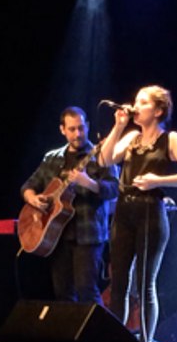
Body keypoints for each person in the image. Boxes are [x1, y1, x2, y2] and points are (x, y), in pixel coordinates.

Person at [98, 85, 177, 342]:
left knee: (144, 284)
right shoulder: (131, 136)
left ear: (158, 110)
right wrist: (118, 127)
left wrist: (159, 180)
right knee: (118, 282)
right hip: (124, 212)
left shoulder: (171, 139)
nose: (135, 106)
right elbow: (105, 159)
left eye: (142, 102)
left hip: (151, 212)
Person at [21, 107, 118, 304]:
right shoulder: (52, 158)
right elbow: (28, 186)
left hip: (88, 235)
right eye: (72, 129)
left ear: (88, 127)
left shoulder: (102, 156)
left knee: (87, 291)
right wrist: (33, 199)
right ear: (62, 130)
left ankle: (97, 334)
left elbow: (114, 190)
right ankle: (69, 335)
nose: (77, 134)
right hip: (56, 236)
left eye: (81, 128)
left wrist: (88, 183)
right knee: (62, 293)